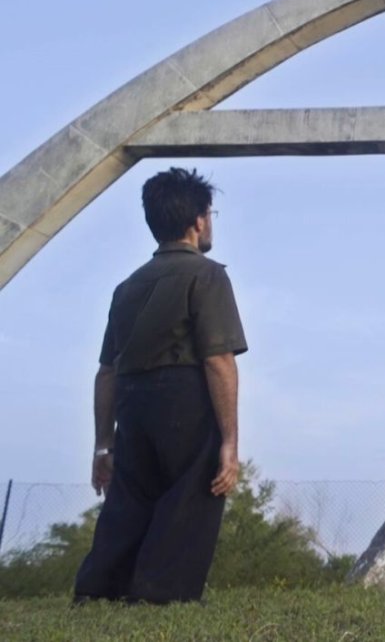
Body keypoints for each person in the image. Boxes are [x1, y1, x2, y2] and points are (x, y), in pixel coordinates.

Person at [73, 167, 248, 604]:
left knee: (129, 499)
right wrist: (229, 441)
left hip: (132, 403)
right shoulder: (206, 276)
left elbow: (106, 372)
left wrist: (103, 446)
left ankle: (99, 591)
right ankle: (160, 595)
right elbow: (218, 360)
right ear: (199, 221)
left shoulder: (127, 287)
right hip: (183, 399)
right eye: (210, 213)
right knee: (192, 494)